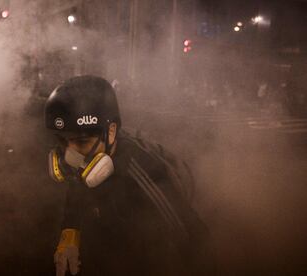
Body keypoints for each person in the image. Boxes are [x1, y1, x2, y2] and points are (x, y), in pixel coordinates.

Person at [44, 75, 211, 276]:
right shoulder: (87, 155)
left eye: (81, 141)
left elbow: (194, 237)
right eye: (63, 140)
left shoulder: (145, 170)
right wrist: (70, 231)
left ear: (111, 132)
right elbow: (77, 184)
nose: (71, 155)